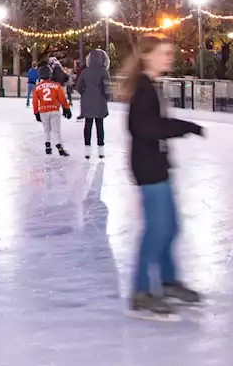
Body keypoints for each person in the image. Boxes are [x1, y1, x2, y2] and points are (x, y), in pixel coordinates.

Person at [120, 33, 204, 319]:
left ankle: (167, 281)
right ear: (147, 55)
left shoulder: (151, 85)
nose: (169, 57)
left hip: (158, 164)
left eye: (170, 53)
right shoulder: (143, 88)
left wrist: (183, 126)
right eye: (164, 53)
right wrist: (183, 127)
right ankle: (141, 292)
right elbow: (143, 127)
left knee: (170, 227)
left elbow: (153, 125)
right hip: (148, 168)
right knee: (157, 230)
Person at [31, 61, 72, 156]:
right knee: (56, 130)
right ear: (50, 74)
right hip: (54, 110)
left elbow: (35, 101)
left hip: (43, 111)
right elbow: (62, 98)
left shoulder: (38, 87)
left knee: (47, 130)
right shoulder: (56, 86)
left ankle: (48, 147)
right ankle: (60, 148)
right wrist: (66, 108)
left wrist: (36, 112)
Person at [77, 48, 111, 158]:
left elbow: (78, 87)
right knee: (99, 126)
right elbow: (107, 88)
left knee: (88, 125)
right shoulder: (103, 72)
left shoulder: (85, 71)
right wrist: (106, 97)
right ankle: (101, 150)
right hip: (100, 101)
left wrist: (85, 93)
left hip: (87, 101)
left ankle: (87, 150)